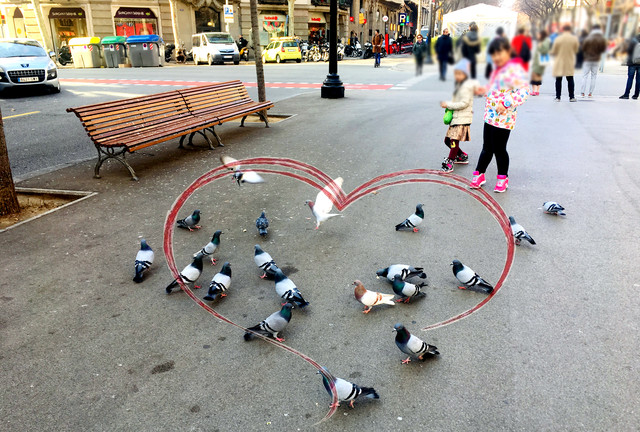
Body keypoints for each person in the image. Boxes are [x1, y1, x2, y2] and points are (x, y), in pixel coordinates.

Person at [470, 37, 529, 193]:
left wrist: (506, 103)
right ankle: (479, 174)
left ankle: (503, 177)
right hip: (489, 116)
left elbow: (523, 92)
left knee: (499, 149)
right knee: (486, 148)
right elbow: (494, 89)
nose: (496, 57)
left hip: (504, 119)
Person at [439, 59, 477, 173]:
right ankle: (461, 156)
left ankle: (450, 162)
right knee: (447, 140)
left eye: (460, 74)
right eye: (456, 73)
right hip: (456, 118)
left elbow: (464, 103)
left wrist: (448, 105)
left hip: (462, 119)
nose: (457, 76)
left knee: (454, 141)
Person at [550, 24, 579, 102]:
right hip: (569, 61)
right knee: (570, 79)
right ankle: (572, 97)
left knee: (558, 79)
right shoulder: (574, 39)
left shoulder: (558, 39)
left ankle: (558, 97)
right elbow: (576, 50)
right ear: (570, 30)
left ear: (563, 30)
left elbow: (554, 50)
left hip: (559, 61)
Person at [580, 24, 607, 97]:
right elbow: (603, 49)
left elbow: (583, 48)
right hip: (596, 59)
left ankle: (582, 92)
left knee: (585, 76)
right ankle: (590, 93)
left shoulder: (588, 38)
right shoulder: (602, 39)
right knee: (594, 76)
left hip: (587, 59)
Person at [619, 26, 640, 100]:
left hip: (632, 62)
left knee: (630, 78)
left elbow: (629, 50)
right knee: (639, 79)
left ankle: (626, 94)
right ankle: (636, 95)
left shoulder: (634, 39)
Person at [530, 30, 551, 96]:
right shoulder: (544, 41)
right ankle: (537, 91)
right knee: (538, 75)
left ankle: (534, 91)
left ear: (541, 35)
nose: (537, 36)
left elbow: (544, 50)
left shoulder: (544, 42)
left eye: (538, 34)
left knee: (534, 75)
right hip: (539, 61)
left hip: (539, 61)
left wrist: (539, 47)